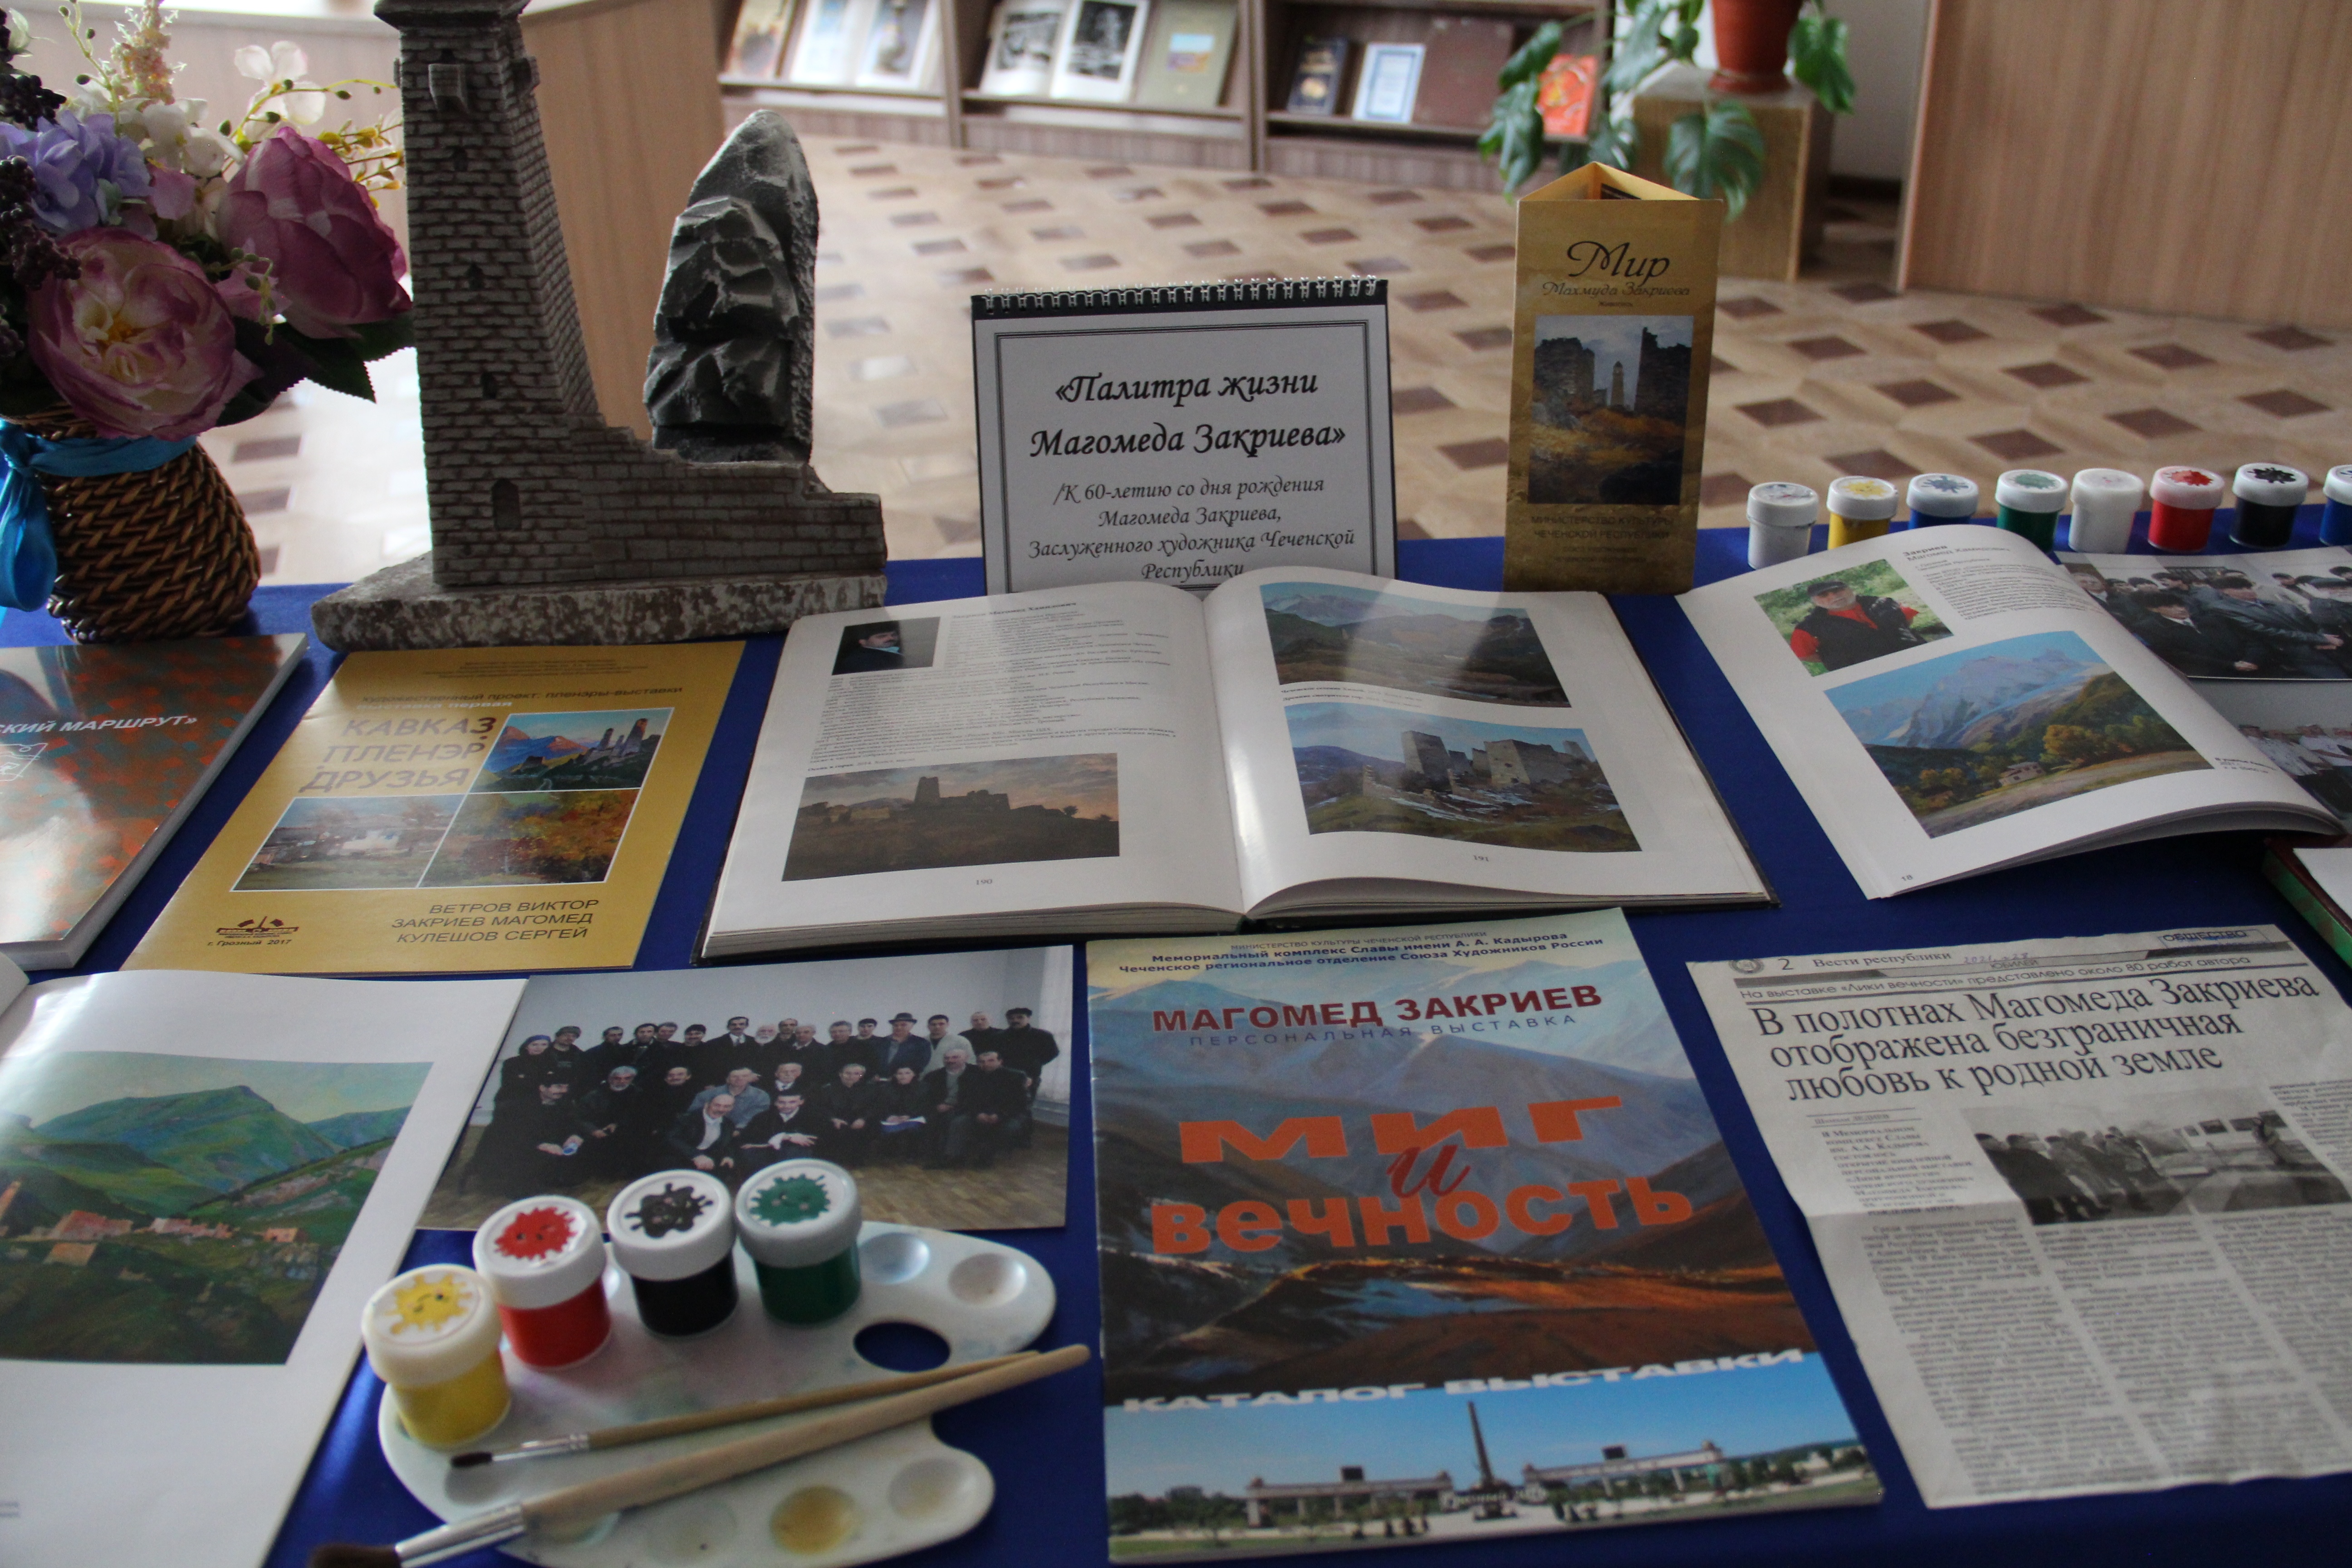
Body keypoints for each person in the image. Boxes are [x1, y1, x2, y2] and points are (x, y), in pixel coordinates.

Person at [2204, 574, 2344, 676]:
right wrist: (2317, 639)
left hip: (2322, 647)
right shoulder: (2224, 609)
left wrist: (2322, 637)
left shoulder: (2271, 603)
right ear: (2225, 592)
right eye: (2240, 588)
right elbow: (2266, 632)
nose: (2248, 591)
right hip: (2294, 653)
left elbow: (2308, 619)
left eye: (2248, 587)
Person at [470, 1079, 585, 1193]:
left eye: (566, 1087)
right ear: (542, 1088)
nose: (564, 1091)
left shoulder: (563, 1103)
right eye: (559, 1087)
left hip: (539, 1143)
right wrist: (542, 1145)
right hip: (513, 1148)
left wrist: (573, 1135)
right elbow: (511, 1136)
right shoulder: (519, 1107)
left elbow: (569, 1124)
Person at [1785, 578, 1926, 671]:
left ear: (1850, 589)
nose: (1833, 596)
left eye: (1837, 590)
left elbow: (1907, 619)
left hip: (1918, 660)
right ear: (1815, 601)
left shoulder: (1883, 602)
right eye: (1824, 595)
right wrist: (1836, 659)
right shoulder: (1809, 628)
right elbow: (1804, 655)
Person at [933, 1049, 1029, 1169]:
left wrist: (999, 1115)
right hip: (977, 1113)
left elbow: (1019, 1103)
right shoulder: (970, 1077)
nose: (986, 1064)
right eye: (982, 1062)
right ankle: (954, 1157)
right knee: (959, 1123)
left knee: (1009, 1128)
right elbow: (966, 1100)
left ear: (1000, 1062)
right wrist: (977, 1114)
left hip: (1007, 1115)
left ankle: (987, 1157)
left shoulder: (1015, 1077)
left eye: (991, 1061)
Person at [2131, 592, 2264, 677]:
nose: (2181, 609)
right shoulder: (2155, 630)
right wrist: (2231, 666)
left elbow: (2250, 640)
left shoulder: (2212, 619)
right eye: (2171, 607)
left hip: (2256, 667)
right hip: (2217, 676)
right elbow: (2179, 656)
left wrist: (2251, 659)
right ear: (2154, 610)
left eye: (2180, 605)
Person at [572, 1065, 643, 1178]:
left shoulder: (639, 1095)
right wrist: (594, 1130)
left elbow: (640, 1117)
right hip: (597, 1131)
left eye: (627, 1078)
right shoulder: (594, 1096)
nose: (622, 1082)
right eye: (617, 1078)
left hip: (626, 1132)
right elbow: (580, 1118)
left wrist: (618, 1125)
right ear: (610, 1079)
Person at [808, 1061, 881, 1165]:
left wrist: (863, 1119)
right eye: (848, 1073)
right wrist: (833, 1119)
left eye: (856, 1074)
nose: (851, 1077)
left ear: (862, 1076)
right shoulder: (828, 1089)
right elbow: (820, 1108)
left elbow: (875, 1107)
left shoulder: (871, 1089)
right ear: (841, 1074)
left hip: (860, 1120)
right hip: (835, 1120)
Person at [738, 1091, 823, 1173]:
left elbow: (818, 1140)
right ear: (775, 1103)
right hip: (768, 1158)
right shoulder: (763, 1117)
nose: (787, 1106)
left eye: (792, 1102)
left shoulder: (813, 1118)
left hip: (799, 1159)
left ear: (801, 1102)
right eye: (782, 1102)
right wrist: (785, 1137)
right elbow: (748, 1140)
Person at [665, 1092, 741, 1179]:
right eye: (717, 1105)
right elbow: (672, 1139)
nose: (721, 1110)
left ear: (732, 1108)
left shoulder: (729, 1124)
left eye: (727, 1107)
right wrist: (695, 1155)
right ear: (707, 1105)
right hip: (682, 1156)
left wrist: (729, 1156)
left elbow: (729, 1143)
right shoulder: (687, 1118)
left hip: (708, 1159)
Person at [872, 1066, 930, 1160]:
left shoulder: (924, 1088)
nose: (903, 1076)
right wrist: (888, 1116)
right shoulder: (885, 1088)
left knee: (913, 1129)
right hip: (891, 1119)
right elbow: (879, 1106)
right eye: (900, 1074)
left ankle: (911, 1155)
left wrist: (910, 1116)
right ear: (895, 1075)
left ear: (914, 1075)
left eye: (907, 1073)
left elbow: (926, 1107)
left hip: (913, 1117)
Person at [691, 1066, 771, 1130]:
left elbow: (755, 1119)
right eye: (735, 1076)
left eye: (745, 1076)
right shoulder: (707, 1095)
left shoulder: (761, 1097)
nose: (740, 1079)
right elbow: (693, 1114)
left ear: (751, 1078)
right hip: (707, 1129)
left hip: (743, 1132)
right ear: (727, 1079)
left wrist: (735, 1130)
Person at [874, 1013, 931, 1080]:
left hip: (906, 1082)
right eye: (896, 1025)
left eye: (903, 1025)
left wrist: (899, 1076)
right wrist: (873, 1074)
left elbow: (920, 1065)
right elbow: (872, 1060)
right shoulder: (880, 1042)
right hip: (878, 1081)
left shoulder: (921, 1043)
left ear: (912, 1026)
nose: (899, 1028)